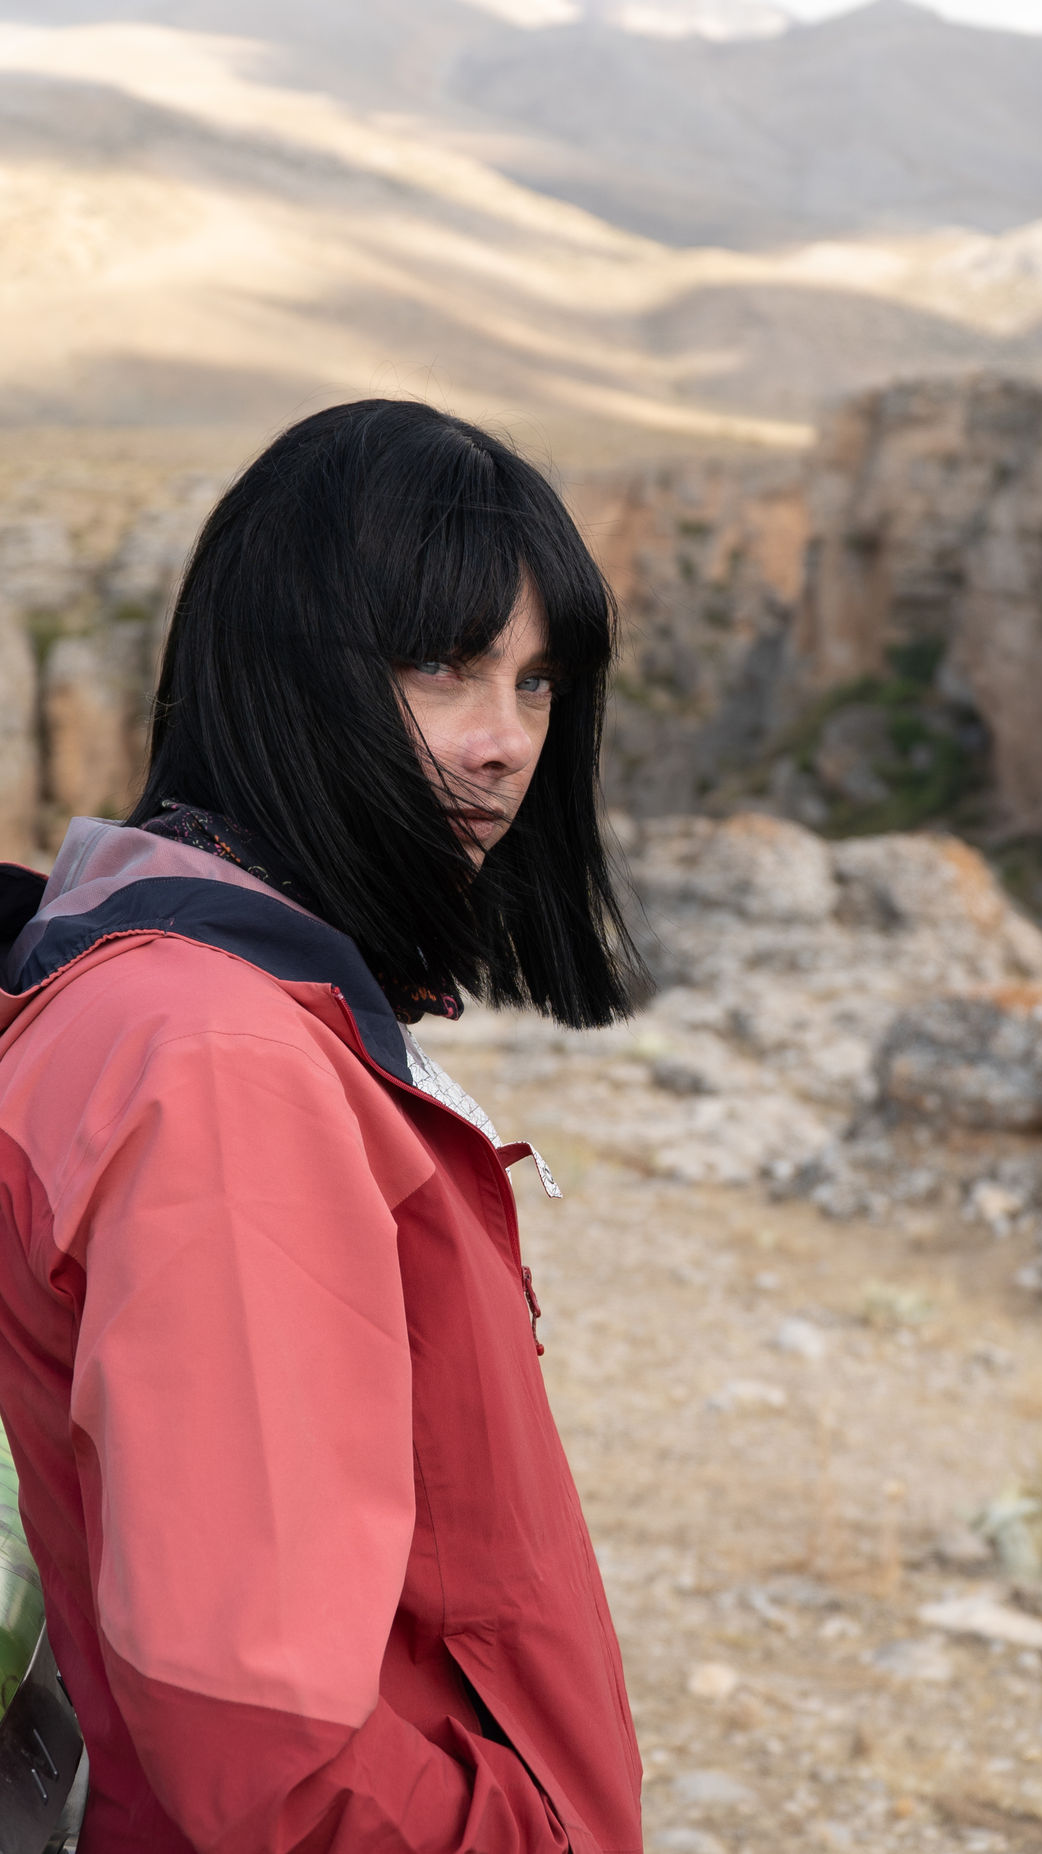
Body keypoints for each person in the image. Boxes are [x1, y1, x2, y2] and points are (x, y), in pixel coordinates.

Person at [0, 400, 648, 1853]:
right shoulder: (219, 1062)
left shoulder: (151, 984)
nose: (506, 744)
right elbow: (262, 1748)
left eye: (539, 682)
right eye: (441, 667)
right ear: (285, 670)